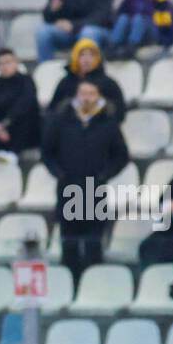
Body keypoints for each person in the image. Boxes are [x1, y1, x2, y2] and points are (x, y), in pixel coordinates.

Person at [42, 79, 129, 285]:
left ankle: (95, 285)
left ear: (98, 96)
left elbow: (122, 156)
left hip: (95, 189)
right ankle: (70, 286)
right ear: (76, 96)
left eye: (91, 93)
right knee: (69, 242)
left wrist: (104, 175)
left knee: (93, 242)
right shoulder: (60, 120)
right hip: (68, 188)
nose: (87, 98)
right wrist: (59, 173)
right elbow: (47, 152)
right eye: (83, 93)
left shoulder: (108, 123)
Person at [0, 47, 41, 161]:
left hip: (26, 130)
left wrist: (6, 123)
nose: (5, 66)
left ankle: (13, 154)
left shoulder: (27, 81)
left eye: (8, 62)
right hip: (1, 131)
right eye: (1, 63)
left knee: (27, 114)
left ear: (16, 63)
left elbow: (26, 104)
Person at [48, 36, 127, 118]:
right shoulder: (65, 83)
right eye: (82, 55)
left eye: (91, 55)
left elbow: (119, 113)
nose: (86, 59)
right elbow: (52, 111)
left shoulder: (108, 84)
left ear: (98, 58)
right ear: (75, 57)